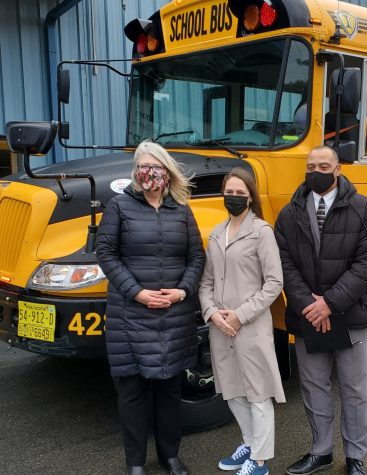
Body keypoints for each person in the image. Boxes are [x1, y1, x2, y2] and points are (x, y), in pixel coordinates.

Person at [96, 140, 205, 475]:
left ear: (167, 171)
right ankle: (135, 463)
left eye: (155, 166)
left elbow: (196, 257)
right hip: (131, 315)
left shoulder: (181, 210)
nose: (149, 172)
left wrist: (182, 292)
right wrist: (138, 293)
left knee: (170, 392)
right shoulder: (119, 206)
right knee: (133, 395)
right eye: (143, 166)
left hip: (173, 316)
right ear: (136, 172)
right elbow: (106, 253)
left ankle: (170, 456)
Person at [274, 146, 367, 475]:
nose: (316, 171)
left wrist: (329, 303)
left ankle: (355, 457)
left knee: (353, 388)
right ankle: (320, 451)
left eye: (324, 165)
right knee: (313, 385)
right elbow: (284, 263)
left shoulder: (363, 208)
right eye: (311, 166)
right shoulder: (289, 212)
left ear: (338, 170)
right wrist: (309, 305)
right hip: (308, 315)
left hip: (349, 313)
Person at [199, 168, 286, 475]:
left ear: (250, 197)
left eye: (240, 193)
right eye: (229, 192)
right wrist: (211, 313)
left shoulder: (262, 232)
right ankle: (249, 445)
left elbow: (274, 283)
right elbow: (206, 282)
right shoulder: (215, 234)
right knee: (233, 391)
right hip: (220, 327)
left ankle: (260, 461)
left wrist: (240, 314)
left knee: (258, 393)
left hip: (250, 326)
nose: (233, 197)